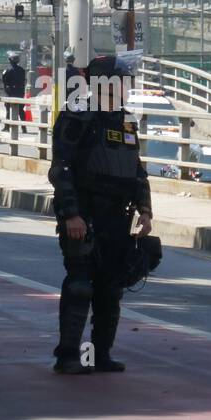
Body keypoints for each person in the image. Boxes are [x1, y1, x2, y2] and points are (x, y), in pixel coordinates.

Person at [47, 53, 153, 375]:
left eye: (127, 82)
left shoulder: (126, 121)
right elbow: (60, 169)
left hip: (117, 219)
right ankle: (67, 356)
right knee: (81, 286)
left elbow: (137, 171)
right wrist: (71, 214)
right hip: (84, 215)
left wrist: (146, 210)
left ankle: (100, 354)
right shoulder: (77, 116)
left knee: (111, 289)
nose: (126, 87)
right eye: (121, 81)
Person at [2, 51, 27, 127]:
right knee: (20, 110)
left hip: (11, 92)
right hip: (20, 91)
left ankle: (7, 126)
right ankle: (24, 127)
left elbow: (4, 81)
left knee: (8, 109)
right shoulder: (22, 70)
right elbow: (23, 80)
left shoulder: (8, 70)